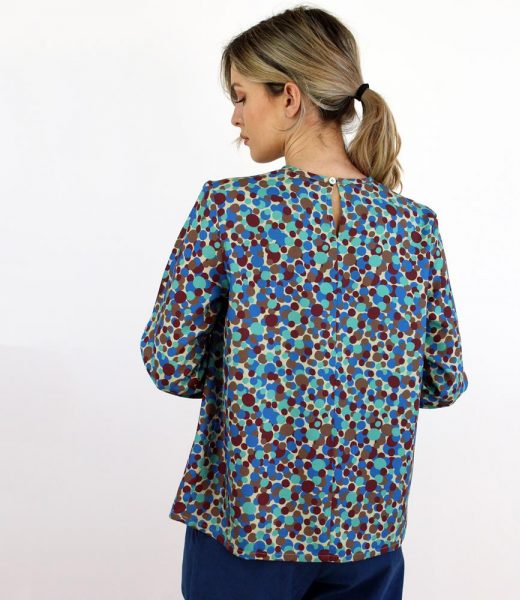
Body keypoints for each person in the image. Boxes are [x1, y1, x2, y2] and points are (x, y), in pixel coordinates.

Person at [139, 5, 469, 599]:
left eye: (242, 96)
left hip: (250, 527)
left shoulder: (232, 210)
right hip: (368, 535)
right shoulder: (414, 227)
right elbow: (442, 381)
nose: (235, 117)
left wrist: (251, 369)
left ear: (289, 96)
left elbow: (168, 363)